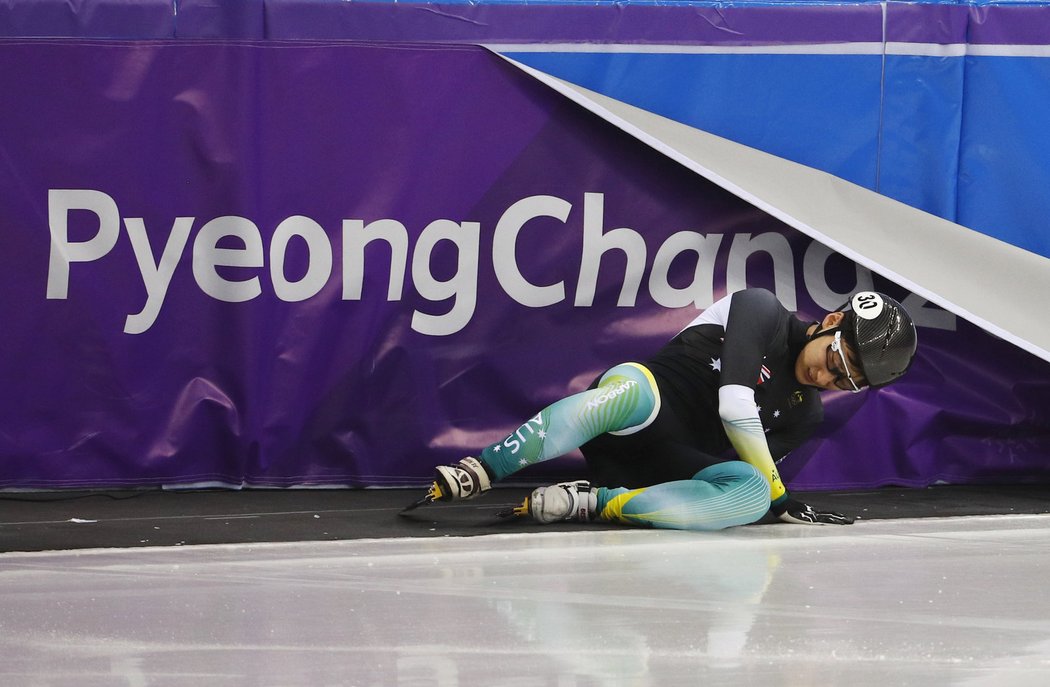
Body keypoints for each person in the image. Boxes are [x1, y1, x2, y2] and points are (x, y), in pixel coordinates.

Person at [412, 288, 917, 531]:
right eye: (835, 360)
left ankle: (594, 502)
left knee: (749, 492)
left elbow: (747, 473)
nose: (826, 379)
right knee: (635, 387)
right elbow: (734, 403)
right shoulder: (762, 311)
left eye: (845, 382)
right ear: (831, 321)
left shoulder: (806, 415)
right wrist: (782, 495)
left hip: (661, 468)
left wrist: (768, 498)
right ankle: (484, 467)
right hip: (630, 414)